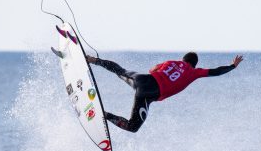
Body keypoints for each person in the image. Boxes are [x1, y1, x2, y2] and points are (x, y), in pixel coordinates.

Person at [86, 52, 243, 133]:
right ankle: (105, 115)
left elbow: (153, 69)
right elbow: (215, 71)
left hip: (141, 80)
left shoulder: (171, 62)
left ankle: (93, 60)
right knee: (132, 127)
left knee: (120, 71)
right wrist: (232, 66)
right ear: (194, 65)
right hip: (149, 94)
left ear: (183, 59)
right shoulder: (194, 72)